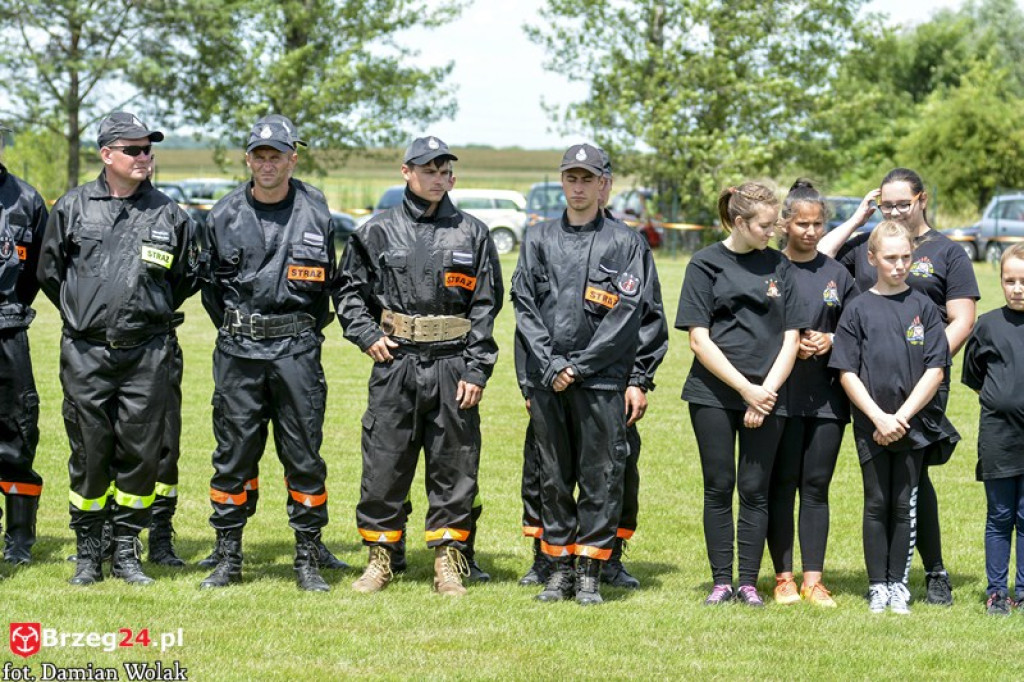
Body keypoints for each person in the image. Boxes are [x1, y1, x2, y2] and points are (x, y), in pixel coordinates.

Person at [37, 111, 198, 586]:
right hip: (86, 353)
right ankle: (89, 552)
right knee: (89, 449)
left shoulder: (169, 214)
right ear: (107, 155)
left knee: (140, 451)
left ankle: (127, 551)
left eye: (148, 148)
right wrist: (83, 311)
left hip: (147, 353)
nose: (144, 157)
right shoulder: (72, 207)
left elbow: (184, 279)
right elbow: (49, 272)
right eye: (133, 149)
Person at [336, 136, 502, 597]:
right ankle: (381, 558)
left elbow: (486, 307)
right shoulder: (377, 230)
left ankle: (448, 563)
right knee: (385, 462)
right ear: (406, 171)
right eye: (428, 169)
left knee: (455, 464)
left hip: (453, 364)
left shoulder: (473, 232)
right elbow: (348, 291)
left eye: (444, 170)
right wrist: (368, 335)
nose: (438, 177)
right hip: (396, 363)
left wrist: (477, 369)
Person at [819, 168, 977, 605]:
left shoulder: (948, 252)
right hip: (871, 394)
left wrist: (924, 361)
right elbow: (818, 255)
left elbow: (962, 319)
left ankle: (930, 572)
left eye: (901, 203)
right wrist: (857, 218)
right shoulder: (866, 245)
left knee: (913, 485)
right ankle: (887, 580)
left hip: (921, 386)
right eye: (885, 204)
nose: (894, 211)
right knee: (885, 492)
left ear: (921, 199)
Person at [198, 114, 339, 592]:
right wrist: (245, 328)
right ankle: (228, 555)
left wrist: (293, 329)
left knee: (303, 455)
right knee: (233, 454)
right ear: (248, 160)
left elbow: (328, 290)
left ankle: (307, 556)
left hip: (297, 351)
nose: (266, 164)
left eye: (275, 155)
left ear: (292, 159)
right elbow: (212, 292)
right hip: (239, 352)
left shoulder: (317, 211)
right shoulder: (222, 215)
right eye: (258, 155)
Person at [516, 148, 668, 590]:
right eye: (571, 178)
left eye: (588, 179)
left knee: (606, 473)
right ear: (562, 182)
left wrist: (630, 376)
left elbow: (633, 315)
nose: (578, 187)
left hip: (603, 381)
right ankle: (556, 566)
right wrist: (546, 368)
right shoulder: (538, 238)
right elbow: (525, 308)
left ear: (605, 185)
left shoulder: (626, 243)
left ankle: (596, 568)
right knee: (550, 476)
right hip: (549, 380)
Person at [675, 182, 805, 607]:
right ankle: (720, 582)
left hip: (769, 394)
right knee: (719, 485)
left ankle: (747, 582)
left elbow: (791, 338)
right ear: (739, 221)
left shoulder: (779, 266)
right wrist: (745, 389)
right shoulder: (704, 264)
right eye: (766, 225)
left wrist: (764, 392)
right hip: (713, 394)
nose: (773, 232)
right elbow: (699, 339)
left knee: (755, 488)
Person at [766, 181, 858, 607]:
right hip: (778, 396)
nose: (810, 230)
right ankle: (783, 578)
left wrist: (832, 340)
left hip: (827, 398)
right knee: (782, 485)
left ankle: (814, 580)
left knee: (816, 486)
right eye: (801, 222)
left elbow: (860, 331)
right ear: (785, 222)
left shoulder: (838, 274)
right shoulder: (768, 269)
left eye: (818, 223)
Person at [961, 243, 1024, 615]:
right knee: (1000, 516)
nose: (1017, 288)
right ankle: (997, 591)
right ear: (1000, 282)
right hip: (999, 437)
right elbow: (975, 376)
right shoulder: (987, 325)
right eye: (1010, 280)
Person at [0, 124, 48, 565]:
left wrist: (11, 309)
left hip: (7, 329)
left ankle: (19, 539)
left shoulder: (26, 200)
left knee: (17, 430)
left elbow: (37, 273)